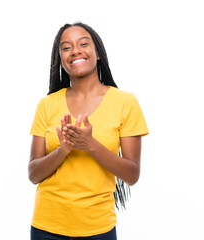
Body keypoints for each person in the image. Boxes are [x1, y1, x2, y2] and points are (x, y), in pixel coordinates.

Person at [28, 22, 149, 239]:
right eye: (66, 47)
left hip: (98, 229)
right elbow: (33, 174)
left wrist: (90, 145)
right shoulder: (46, 104)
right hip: (46, 227)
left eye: (83, 43)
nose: (75, 50)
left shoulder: (125, 103)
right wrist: (63, 149)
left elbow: (132, 175)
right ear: (60, 61)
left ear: (98, 53)